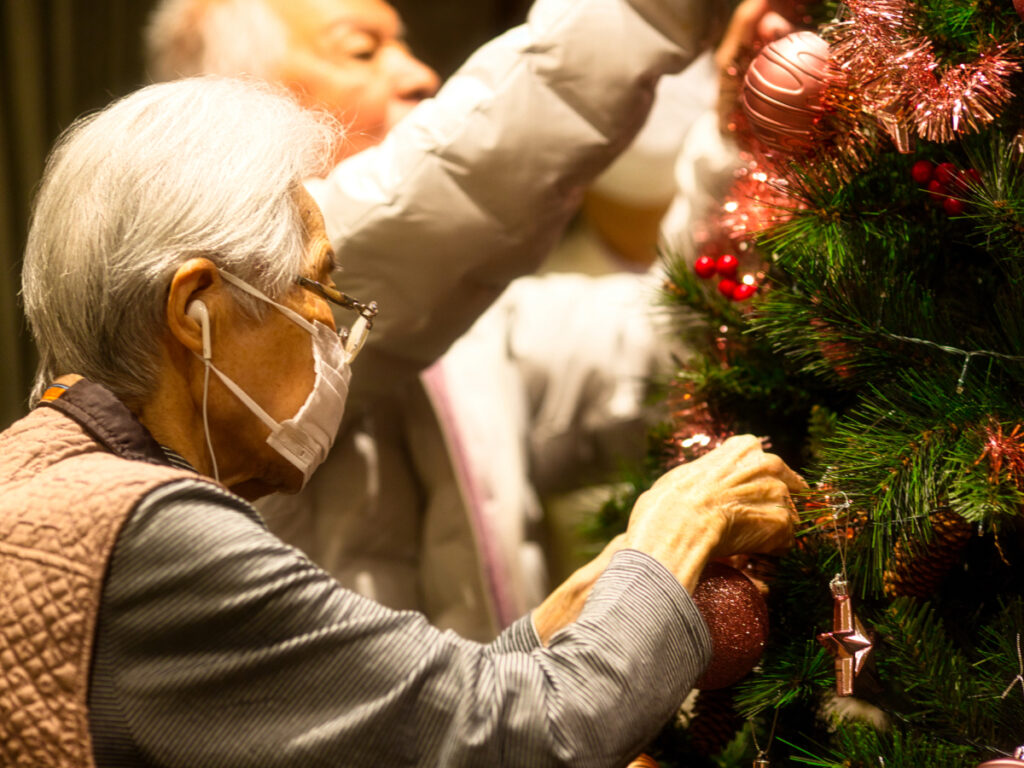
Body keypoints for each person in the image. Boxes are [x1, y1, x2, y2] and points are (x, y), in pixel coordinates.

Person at [3, 76, 803, 767]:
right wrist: (674, 534)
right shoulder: (153, 534)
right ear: (197, 309)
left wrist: (567, 620)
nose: (333, 331)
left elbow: (409, 735)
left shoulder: (47, 476)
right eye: (315, 288)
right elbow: (534, 741)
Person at [144, 0, 769, 642]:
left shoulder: (466, 318)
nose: (419, 74)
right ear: (240, 104)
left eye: (403, 44)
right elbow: (433, 196)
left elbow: (673, 346)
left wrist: (742, 143)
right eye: (362, 48)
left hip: (496, 732)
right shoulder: (235, 306)